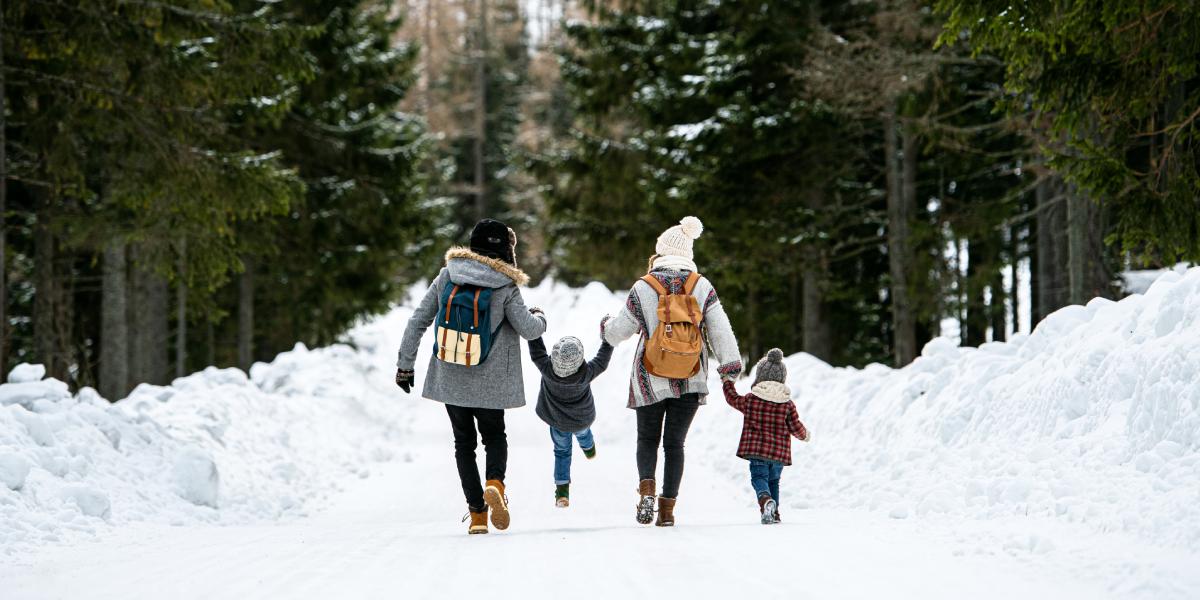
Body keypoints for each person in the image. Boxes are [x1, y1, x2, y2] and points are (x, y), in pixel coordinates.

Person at [395, 219, 547, 535]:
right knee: (494, 437)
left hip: (451, 376)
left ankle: (477, 515)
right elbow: (529, 329)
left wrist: (405, 366)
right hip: (491, 382)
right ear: (505, 249)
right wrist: (540, 316)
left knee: (463, 443)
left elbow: (417, 321)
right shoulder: (505, 285)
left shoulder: (448, 275)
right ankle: (495, 484)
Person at [603, 216, 742, 526]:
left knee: (647, 440)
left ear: (661, 252)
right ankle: (667, 512)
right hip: (691, 376)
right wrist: (730, 370)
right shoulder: (701, 285)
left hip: (649, 377)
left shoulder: (644, 286)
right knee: (675, 444)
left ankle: (646, 493)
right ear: (688, 254)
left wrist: (605, 329)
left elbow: (618, 332)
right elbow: (721, 330)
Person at [527, 322, 614, 507]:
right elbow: (602, 360)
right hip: (582, 420)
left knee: (562, 452)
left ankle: (562, 492)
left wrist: (534, 324)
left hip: (558, 423)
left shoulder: (546, 369)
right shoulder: (586, 373)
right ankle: (589, 449)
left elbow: (537, 350)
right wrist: (608, 339)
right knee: (584, 434)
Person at [722, 348, 810, 524]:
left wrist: (727, 382)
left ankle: (765, 500)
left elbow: (732, 398)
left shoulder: (751, 400)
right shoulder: (787, 404)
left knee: (759, 478)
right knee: (774, 481)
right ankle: (774, 513)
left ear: (760, 376)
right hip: (779, 454)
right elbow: (795, 426)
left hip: (757, 452)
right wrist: (805, 435)